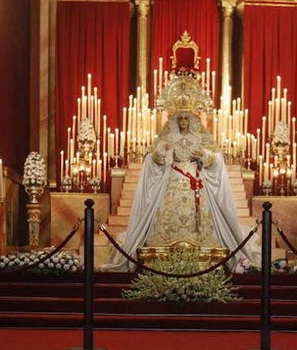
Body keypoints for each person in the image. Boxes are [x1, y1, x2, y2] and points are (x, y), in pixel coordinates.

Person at [104, 107, 256, 270]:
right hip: (173, 178)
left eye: (186, 118)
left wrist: (203, 154)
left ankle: (201, 246)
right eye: (180, 119)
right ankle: (165, 246)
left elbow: (216, 158)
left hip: (195, 179)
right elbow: (154, 157)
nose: (183, 122)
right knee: (167, 211)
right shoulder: (168, 138)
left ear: (191, 121)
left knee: (200, 213)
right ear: (176, 121)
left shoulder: (200, 138)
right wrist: (163, 151)